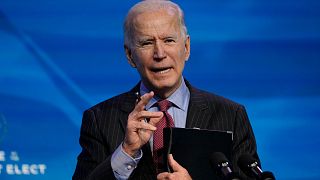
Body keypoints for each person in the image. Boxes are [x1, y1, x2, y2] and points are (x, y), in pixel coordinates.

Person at [73, 1, 260, 179]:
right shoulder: (99, 119)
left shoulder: (231, 115)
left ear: (186, 48)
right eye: (146, 43)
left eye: (169, 40)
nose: (160, 54)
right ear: (130, 55)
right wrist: (126, 151)